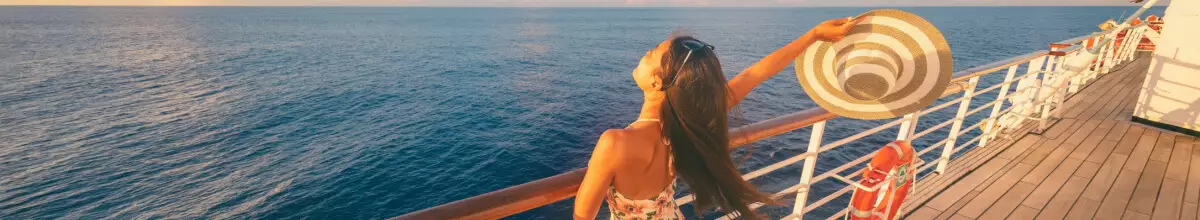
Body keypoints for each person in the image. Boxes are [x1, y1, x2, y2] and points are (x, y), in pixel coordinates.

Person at [572, 17, 861, 220]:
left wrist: (814, 35)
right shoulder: (688, 122)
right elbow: (756, 74)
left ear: (657, 83)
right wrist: (813, 36)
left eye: (649, 55)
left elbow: (582, 214)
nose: (643, 55)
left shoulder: (615, 142)